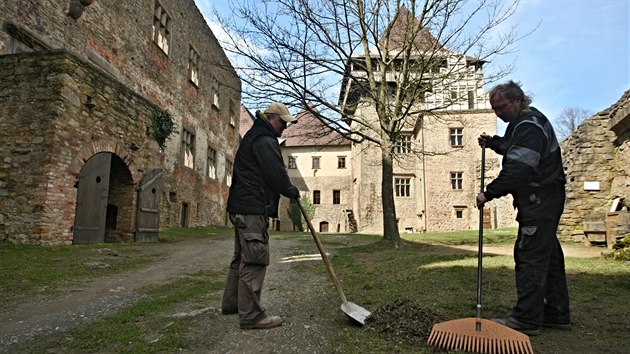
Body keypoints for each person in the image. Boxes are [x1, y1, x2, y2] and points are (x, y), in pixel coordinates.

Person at [476, 81, 571, 336]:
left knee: (529, 256)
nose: (498, 114)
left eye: (501, 107)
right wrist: (494, 142)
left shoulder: (528, 126)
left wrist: (488, 193)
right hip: (545, 198)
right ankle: (556, 313)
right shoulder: (524, 123)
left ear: (518, 99)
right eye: (494, 110)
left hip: (539, 198)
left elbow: (518, 169)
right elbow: (513, 147)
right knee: (548, 257)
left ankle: (526, 319)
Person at [221, 102, 300, 330]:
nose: (285, 127)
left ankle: (232, 304)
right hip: (251, 208)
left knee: (241, 258)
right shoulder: (264, 140)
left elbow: (265, 170)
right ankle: (252, 315)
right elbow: (275, 176)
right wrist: (291, 190)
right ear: (272, 118)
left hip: (241, 206)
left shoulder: (256, 136)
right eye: (283, 122)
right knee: (255, 258)